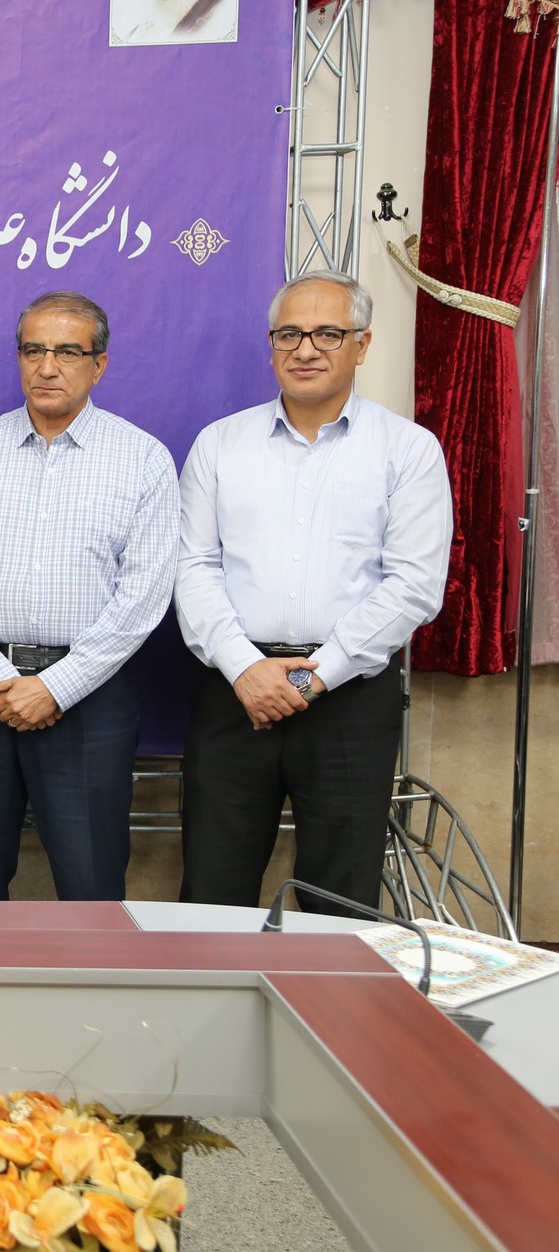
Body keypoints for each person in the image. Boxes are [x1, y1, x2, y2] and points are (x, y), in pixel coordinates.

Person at [175, 270, 451, 913]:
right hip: (235, 692)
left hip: (348, 698)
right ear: (271, 344)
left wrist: (311, 678)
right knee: (213, 891)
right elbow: (193, 567)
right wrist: (247, 670)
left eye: (328, 333)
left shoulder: (408, 449)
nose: (306, 349)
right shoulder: (220, 444)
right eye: (289, 334)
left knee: (341, 897)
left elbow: (413, 584)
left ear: (362, 344)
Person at [0, 292, 177, 902]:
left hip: (89, 701)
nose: (47, 367)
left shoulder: (142, 459)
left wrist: (55, 687)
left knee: (92, 889)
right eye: (33, 350)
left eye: (67, 352)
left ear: (99, 364)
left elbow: (142, 597)